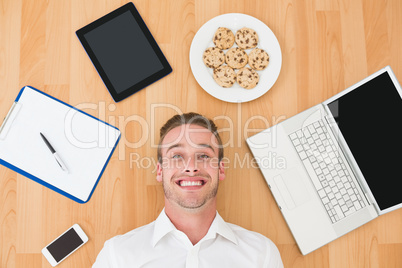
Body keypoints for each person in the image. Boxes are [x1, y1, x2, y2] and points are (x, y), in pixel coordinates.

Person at [93, 112, 283, 267]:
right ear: (160, 171)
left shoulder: (262, 254)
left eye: (203, 155)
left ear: (221, 169)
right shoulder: (117, 256)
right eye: (176, 156)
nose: (191, 167)